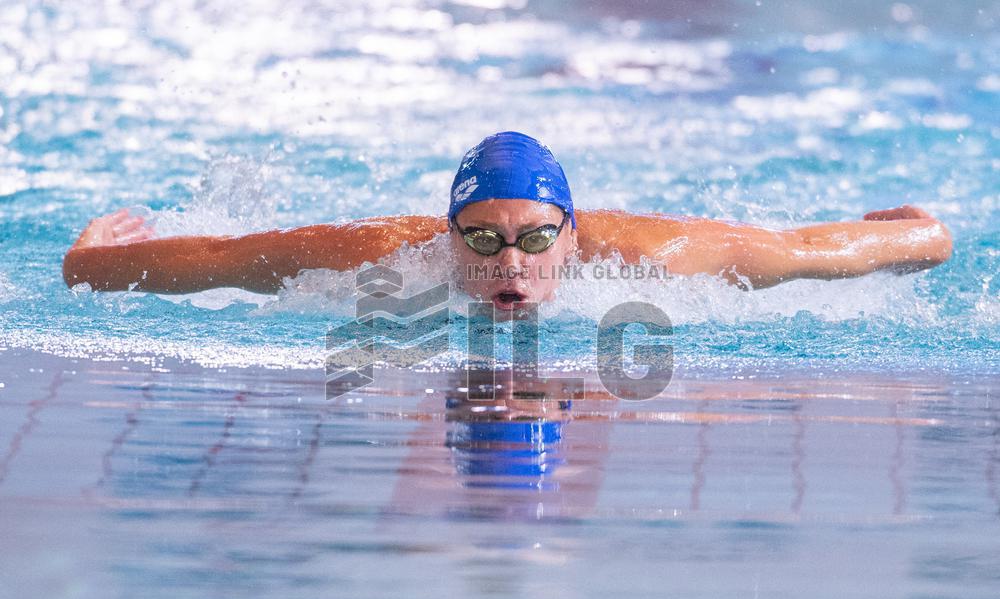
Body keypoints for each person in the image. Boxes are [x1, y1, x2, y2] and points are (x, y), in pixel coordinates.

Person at [62, 131, 953, 310]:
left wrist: (920, 228)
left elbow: (809, 251)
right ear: (447, 235)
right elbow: (225, 257)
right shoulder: (381, 259)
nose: (508, 264)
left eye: (533, 239)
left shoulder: (663, 262)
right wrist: (92, 258)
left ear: (571, 235)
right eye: (481, 239)